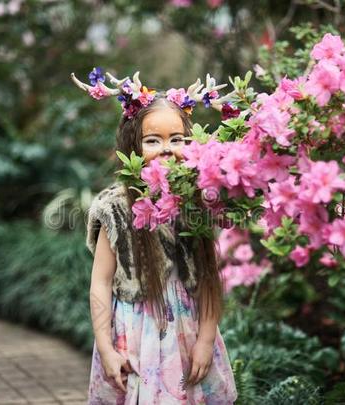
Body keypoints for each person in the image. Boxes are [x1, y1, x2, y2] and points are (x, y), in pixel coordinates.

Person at [74, 69, 238, 404]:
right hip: (135, 335)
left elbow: (208, 277)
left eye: (176, 139)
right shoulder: (116, 208)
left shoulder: (197, 200)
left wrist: (205, 340)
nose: (166, 149)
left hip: (188, 332)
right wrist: (106, 348)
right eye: (153, 140)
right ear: (132, 145)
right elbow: (101, 283)